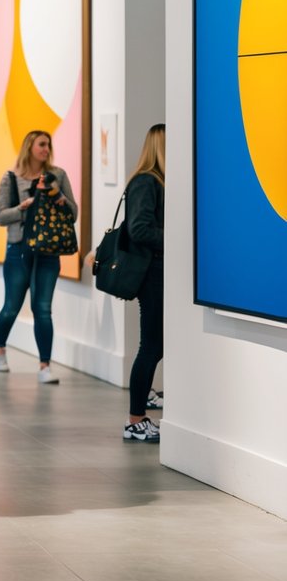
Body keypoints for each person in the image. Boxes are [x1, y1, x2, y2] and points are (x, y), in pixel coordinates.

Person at [0, 130, 79, 384]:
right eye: (41, 144)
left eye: (48, 145)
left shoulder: (58, 175)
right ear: (29, 146)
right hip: (18, 249)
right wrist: (23, 207)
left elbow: (73, 213)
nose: (45, 149)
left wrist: (57, 196)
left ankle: (44, 366)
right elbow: (0, 216)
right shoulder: (10, 178)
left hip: (48, 250)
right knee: (12, 307)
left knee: (42, 309)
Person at [122, 124, 166, 443]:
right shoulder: (146, 181)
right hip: (152, 274)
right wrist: (177, 239)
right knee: (150, 346)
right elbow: (139, 229)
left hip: (162, 272)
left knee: (157, 345)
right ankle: (135, 418)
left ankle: (141, 412)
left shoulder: (158, 182)